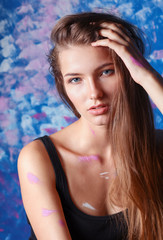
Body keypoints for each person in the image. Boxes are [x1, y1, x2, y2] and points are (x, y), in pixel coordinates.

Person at [18, 12, 163, 240]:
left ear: (129, 72)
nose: (94, 93)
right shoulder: (40, 157)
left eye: (107, 72)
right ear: (63, 86)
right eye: (76, 79)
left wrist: (146, 76)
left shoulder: (156, 147)